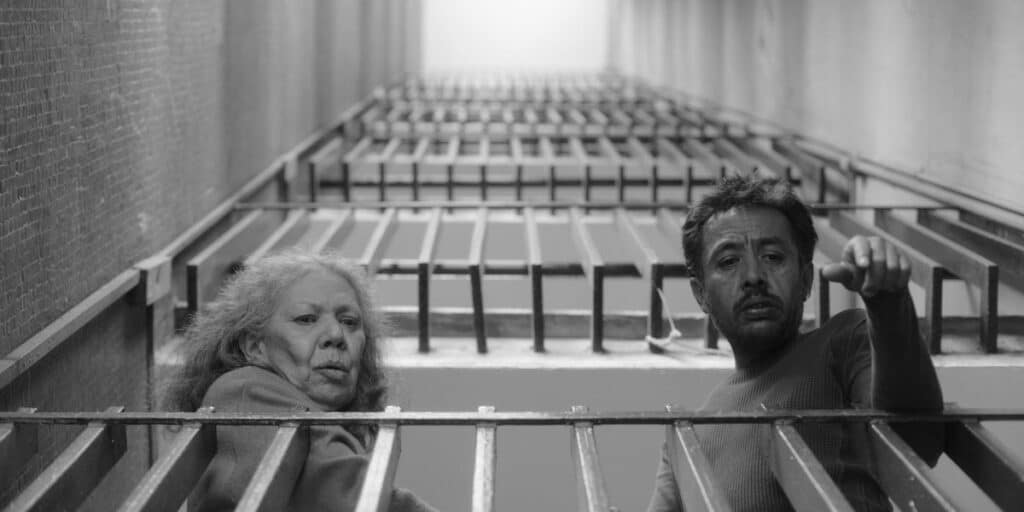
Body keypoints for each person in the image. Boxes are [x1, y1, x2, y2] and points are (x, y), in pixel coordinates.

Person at [646, 176, 944, 511]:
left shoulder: (843, 341)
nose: (754, 277)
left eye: (773, 256)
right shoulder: (686, 437)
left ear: (805, 280)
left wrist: (888, 306)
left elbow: (919, 443)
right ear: (701, 293)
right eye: (728, 261)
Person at [164, 251, 436, 512]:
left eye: (349, 321)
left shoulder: (317, 416)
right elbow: (348, 495)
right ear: (255, 347)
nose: (336, 334)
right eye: (306, 319)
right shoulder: (244, 390)